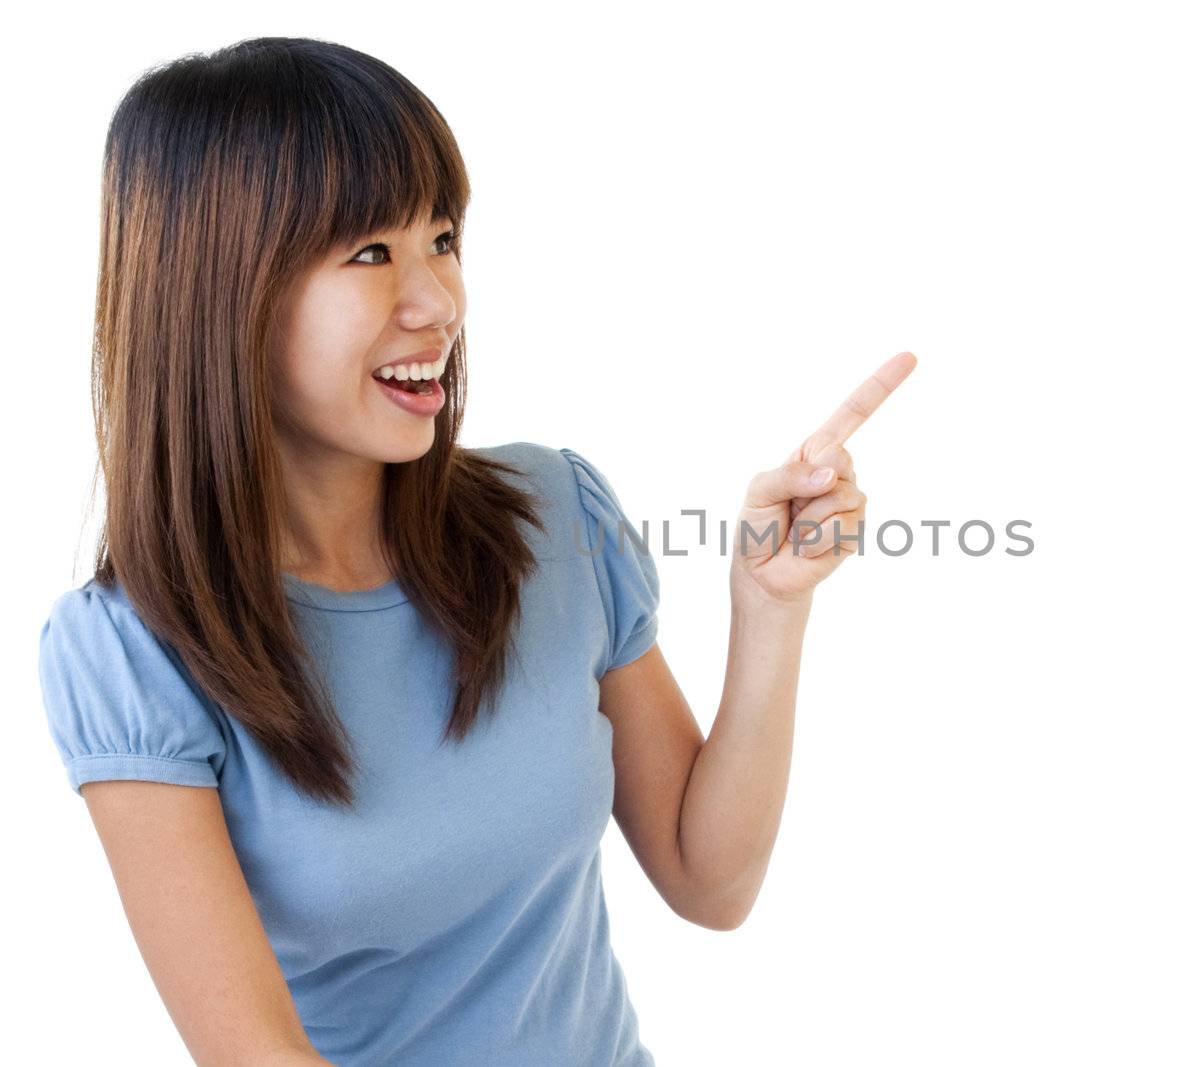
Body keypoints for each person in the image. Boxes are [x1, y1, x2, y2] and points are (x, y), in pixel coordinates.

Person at [35, 35, 915, 1067]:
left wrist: (771, 608)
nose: (438, 301)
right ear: (220, 291)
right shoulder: (132, 652)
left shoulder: (553, 512)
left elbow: (707, 879)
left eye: (442, 237)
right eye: (370, 252)